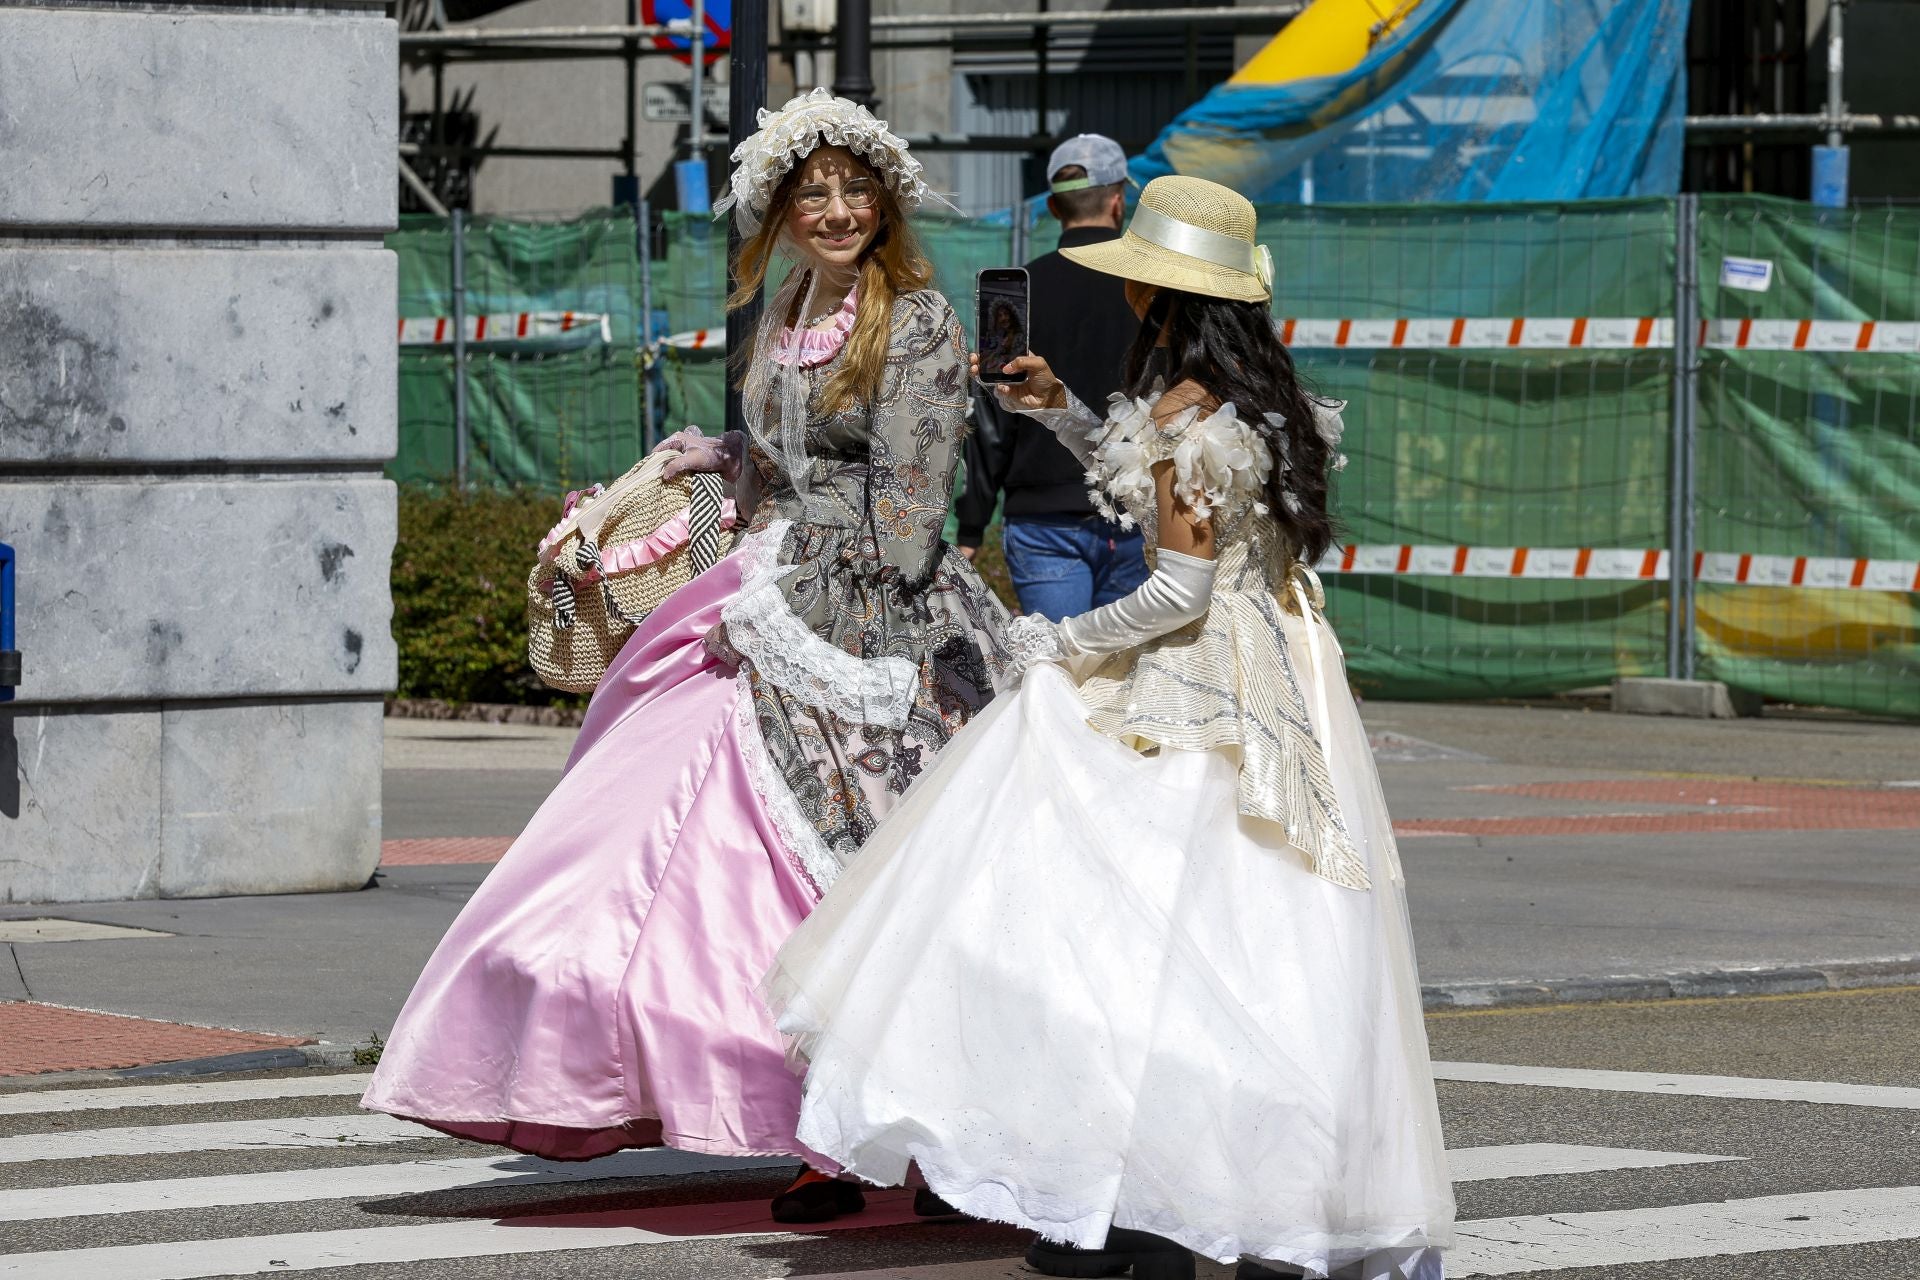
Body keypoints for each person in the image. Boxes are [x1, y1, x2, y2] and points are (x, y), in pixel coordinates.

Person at [764, 176, 1455, 1279]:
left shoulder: (1189, 413)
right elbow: (1167, 497)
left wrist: (1063, 642)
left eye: (1139, 280)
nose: (1128, 294)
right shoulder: (1255, 399)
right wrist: (1060, 411)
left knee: (1124, 921)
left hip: (1202, 675)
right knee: (1266, 941)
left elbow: (1177, 587)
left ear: (1162, 296)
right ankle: (1232, 1186)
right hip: (1287, 668)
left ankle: (1135, 1187)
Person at [362, 88, 1015, 1225]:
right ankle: (810, 1128)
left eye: (856, 189)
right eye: (813, 192)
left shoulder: (914, 322)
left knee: (883, 880)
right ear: (778, 211)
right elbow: (769, 473)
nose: (837, 209)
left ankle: (941, 1136)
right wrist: (691, 489)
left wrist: (783, 598)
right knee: (667, 856)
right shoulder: (775, 313)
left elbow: (910, 520)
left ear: (886, 203)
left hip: (884, 630)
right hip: (763, 595)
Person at [956, 134, 1150, 621]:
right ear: (1118, 199)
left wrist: (972, 527)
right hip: (1138, 509)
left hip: (1042, 519)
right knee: (1127, 684)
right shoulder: (1152, 289)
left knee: (1058, 677)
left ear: (1053, 207)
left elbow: (992, 414)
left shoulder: (1017, 292)